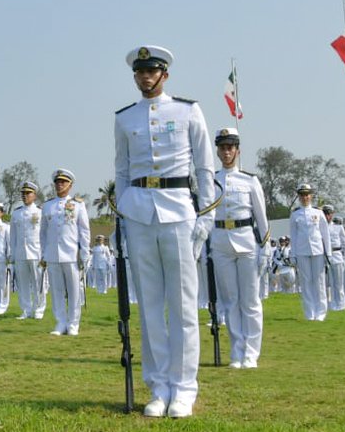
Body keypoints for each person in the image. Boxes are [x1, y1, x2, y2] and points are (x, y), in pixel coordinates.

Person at [114, 45, 215, 418]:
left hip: (178, 212)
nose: (145, 77)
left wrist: (205, 216)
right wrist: (123, 211)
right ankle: (158, 387)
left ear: (164, 74)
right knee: (150, 308)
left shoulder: (188, 111)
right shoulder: (125, 119)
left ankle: (184, 389)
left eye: (151, 71)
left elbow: (204, 169)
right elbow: (122, 171)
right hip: (139, 213)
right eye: (140, 72)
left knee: (184, 306)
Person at [209, 127, 268, 369]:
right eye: (222, 147)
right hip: (221, 241)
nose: (226, 152)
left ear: (237, 150)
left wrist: (265, 248)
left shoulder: (250, 180)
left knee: (250, 300)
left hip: (246, 241)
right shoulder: (211, 180)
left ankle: (251, 353)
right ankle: (237, 351)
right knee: (230, 299)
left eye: (230, 147)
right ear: (218, 151)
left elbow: (261, 217)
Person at [40, 169, 90, 336]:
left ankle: (73, 323)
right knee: (57, 290)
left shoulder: (78, 204)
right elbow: (43, 232)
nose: (59, 184)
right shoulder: (47, 206)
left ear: (70, 185)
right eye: (57, 182)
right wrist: (43, 253)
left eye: (63, 182)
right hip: (53, 253)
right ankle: (60, 322)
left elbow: (84, 230)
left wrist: (84, 253)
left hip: (71, 254)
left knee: (74, 289)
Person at [289, 184, 330, 320]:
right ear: (299, 197)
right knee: (306, 282)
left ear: (311, 196)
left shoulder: (318, 213)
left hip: (318, 250)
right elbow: (293, 236)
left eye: (307, 195)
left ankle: (321, 313)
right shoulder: (295, 214)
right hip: (302, 250)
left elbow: (325, 234)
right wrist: (293, 254)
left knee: (319, 281)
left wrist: (328, 252)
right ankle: (309, 312)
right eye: (302, 195)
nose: (305, 197)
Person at [9, 181, 46, 320]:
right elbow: (13, 235)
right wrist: (12, 253)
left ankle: (39, 309)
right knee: (22, 283)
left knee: (39, 282)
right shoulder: (16, 213)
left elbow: (44, 234)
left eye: (28, 193)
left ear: (34, 195)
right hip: (20, 252)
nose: (25, 196)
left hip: (36, 251)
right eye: (23, 193)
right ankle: (26, 309)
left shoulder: (40, 212)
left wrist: (44, 253)